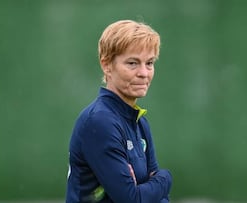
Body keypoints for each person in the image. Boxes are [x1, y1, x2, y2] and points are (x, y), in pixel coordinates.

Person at [66, 20, 172, 203]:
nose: (144, 73)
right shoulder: (99, 122)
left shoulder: (139, 122)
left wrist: (152, 186)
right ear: (106, 65)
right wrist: (166, 177)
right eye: (132, 63)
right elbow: (133, 200)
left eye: (149, 63)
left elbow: (159, 199)